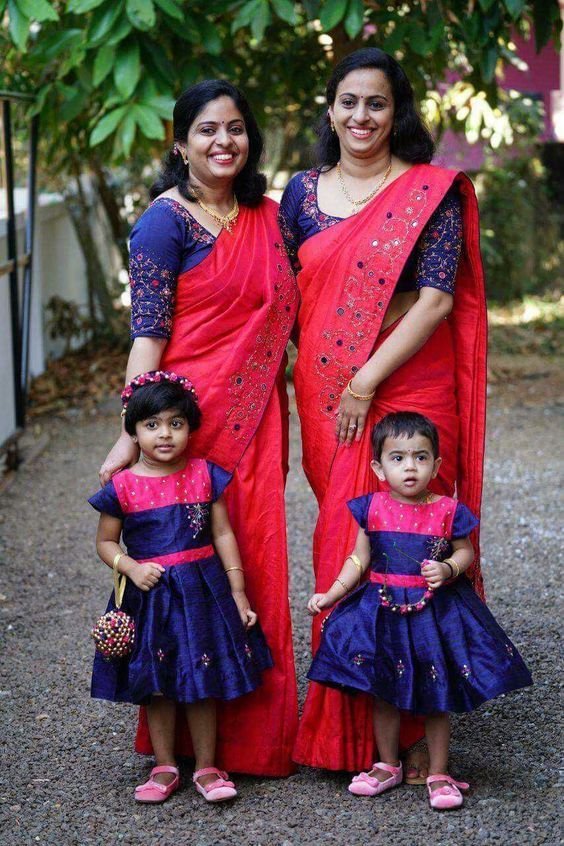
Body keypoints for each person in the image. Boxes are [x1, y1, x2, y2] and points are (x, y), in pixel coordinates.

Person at [279, 47, 488, 776]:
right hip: (324, 385)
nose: (361, 116)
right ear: (330, 110)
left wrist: (365, 380)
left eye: (377, 103)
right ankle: (350, 722)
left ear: (396, 113)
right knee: (342, 542)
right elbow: (285, 299)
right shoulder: (300, 195)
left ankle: (406, 727)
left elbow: (432, 301)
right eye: (349, 102)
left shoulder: (431, 192)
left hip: (407, 383)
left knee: (409, 538)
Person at [99, 80, 298, 776]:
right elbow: (149, 334)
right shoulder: (165, 223)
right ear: (180, 143)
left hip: (258, 415)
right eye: (208, 130)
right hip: (185, 427)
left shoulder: (271, 219)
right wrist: (130, 434)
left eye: (237, 129)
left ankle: (250, 741)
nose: (224, 142)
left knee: (253, 566)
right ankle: (174, 748)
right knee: (185, 583)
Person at [306, 412, 532, 809]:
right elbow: (359, 560)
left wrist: (448, 567)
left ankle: (440, 770)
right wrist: (331, 594)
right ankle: (388, 764)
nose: (410, 466)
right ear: (378, 467)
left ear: (437, 464)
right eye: (398, 458)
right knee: (384, 694)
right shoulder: (371, 507)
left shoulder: (447, 510)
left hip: (434, 615)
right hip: (383, 611)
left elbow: (466, 550)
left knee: (436, 694)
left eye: (420, 457)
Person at [90, 374, 273, 802]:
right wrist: (130, 568)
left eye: (176, 423)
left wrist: (239, 591)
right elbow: (104, 542)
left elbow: (224, 534)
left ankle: (208, 767)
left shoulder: (204, 475)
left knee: (203, 676)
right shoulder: (122, 486)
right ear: (133, 432)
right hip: (150, 598)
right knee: (156, 684)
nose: (165, 434)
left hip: (201, 594)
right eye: (151, 425)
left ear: (190, 428)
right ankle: (164, 765)